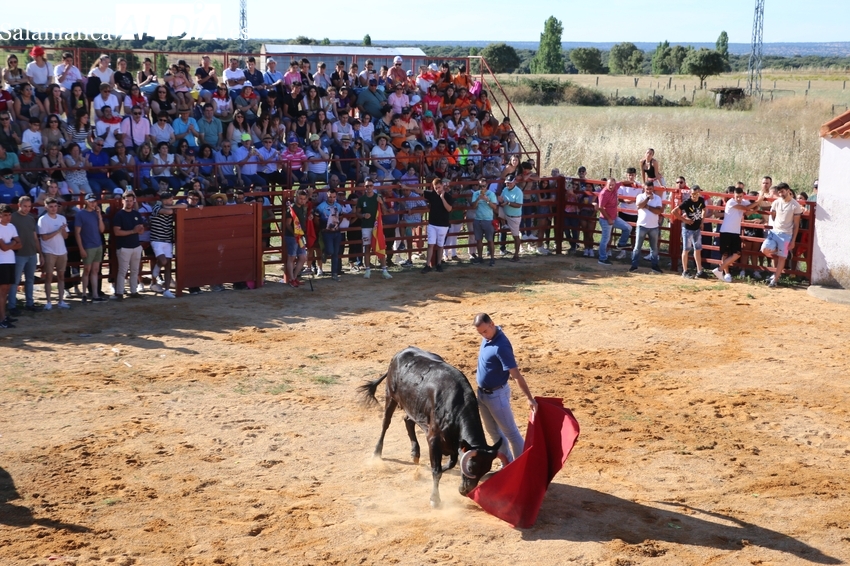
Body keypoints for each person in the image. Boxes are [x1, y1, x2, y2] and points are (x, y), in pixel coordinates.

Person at [473, 313, 537, 465]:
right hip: (482, 395)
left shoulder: (502, 346)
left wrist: (529, 398)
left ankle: (523, 468)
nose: (483, 335)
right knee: (494, 433)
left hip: (496, 396)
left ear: (492, 324)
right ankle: (507, 466)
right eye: (480, 333)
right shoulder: (489, 337)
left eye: (485, 331)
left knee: (511, 433)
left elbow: (516, 375)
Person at [713, 187, 763, 283]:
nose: (739, 199)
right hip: (726, 231)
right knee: (725, 253)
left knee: (737, 254)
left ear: (743, 195)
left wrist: (755, 206)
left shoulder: (743, 201)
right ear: (734, 196)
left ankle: (720, 269)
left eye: (740, 197)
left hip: (735, 232)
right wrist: (758, 201)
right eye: (737, 197)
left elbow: (749, 209)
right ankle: (726, 273)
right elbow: (747, 208)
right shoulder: (731, 202)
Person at [761, 182, 803, 288]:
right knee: (764, 249)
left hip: (786, 234)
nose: (781, 194)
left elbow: (796, 224)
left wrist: (793, 240)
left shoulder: (795, 205)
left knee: (781, 258)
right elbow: (773, 215)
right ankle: (784, 252)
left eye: (782, 191)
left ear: (788, 190)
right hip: (775, 232)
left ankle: (775, 280)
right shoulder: (776, 202)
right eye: (779, 192)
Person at [7, 196, 38, 315]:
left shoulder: (31, 219)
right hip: (18, 254)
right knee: (15, 281)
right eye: (25, 206)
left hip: (31, 253)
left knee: (29, 280)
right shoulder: (12, 218)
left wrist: (38, 252)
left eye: (29, 206)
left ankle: (29, 303)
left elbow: (35, 237)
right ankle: (12, 305)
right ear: (19, 205)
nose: (27, 209)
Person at [111, 190, 145, 300]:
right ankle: (120, 292)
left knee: (135, 270)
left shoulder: (136, 214)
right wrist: (133, 231)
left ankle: (133, 291)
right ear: (123, 201)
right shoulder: (119, 215)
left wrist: (138, 230)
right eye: (127, 201)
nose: (129, 203)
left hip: (135, 245)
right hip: (124, 247)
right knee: (123, 271)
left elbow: (141, 229)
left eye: (131, 201)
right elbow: (117, 232)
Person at [38, 197, 70, 310]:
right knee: (49, 277)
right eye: (51, 206)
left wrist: (63, 230)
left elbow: (66, 236)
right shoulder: (43, 220)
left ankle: (61, 300)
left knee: (61, 276)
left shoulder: (62, 218)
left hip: (62, 251)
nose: (53, 208)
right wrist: (58, 231)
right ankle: (48, 301)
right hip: (49, 252)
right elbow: (44, 237)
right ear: (46, 207)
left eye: (55, 206)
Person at [149, 191, 183, 298]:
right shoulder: (156, 207)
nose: (171, 201)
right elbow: (168, 212)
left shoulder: (170, 207)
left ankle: (167, 290)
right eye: (169, 200)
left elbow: (184, 205)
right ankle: (158, 267)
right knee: (163, 261)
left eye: (172, 199)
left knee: (168, 265)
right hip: (157, 239)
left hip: (167, 240)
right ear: (163, 200)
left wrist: (171, 205)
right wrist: (171, 207)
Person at [356, 180, 392, 280]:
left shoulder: (378, 197)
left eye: (370, 186)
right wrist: (363, 215)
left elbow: (384, 212)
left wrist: (381, 203)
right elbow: (357, 213)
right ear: (364, 187)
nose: (369, 188)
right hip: (366, 226)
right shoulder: (361, 199)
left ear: (373, 187)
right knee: (367, 247)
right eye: (367, 186)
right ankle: (368, 270)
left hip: (377, 226)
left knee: (381, 246)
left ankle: (384, 270)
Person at [74, 193, 106, 303]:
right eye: (91, 201)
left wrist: (100, 216)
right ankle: (84, 294)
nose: (93, 203)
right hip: (88, 246)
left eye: (94, 201)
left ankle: (95, 294)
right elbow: (77, 233)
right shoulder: (80, 214)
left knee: (95, 270)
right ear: (86, 202)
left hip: (97, 245)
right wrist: (81, 248)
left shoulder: (95, 214)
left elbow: (102, 230)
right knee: (87, 270)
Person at [672, 185, 707, 279]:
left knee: (698, 249)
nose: (695, 195)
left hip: (697, 228)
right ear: (690, 194)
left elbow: (704, 209)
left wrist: (702, 222)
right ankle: (685, 271)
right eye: (693, 194)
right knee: (686, 249)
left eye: (696, 193)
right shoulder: (687, 202)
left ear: (699, 193)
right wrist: (685, 220)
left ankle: (699, 271)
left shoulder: (701, 200)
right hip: (688, 229)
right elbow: (674, 211)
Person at [629, 183, 664, 274]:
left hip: (654, 226)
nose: (649, 191)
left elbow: (659, 211)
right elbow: (639, 206)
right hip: (642, 225)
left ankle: (654, 266)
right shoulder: (640, 196)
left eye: (650, 189)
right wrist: (648, 198)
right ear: (644, 188)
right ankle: (634, 265)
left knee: (654, 248)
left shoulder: (657, 198)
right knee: (637, 247)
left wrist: (647, 206)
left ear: (653, 188)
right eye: (647, 189)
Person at [421, 178, 454, 273]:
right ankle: (428, 265)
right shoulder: (432, 194)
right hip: (433, 223)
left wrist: (442, 197)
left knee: (440, 245)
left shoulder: (447, 196)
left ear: (442, 186)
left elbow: (449, 209)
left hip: (443, 224)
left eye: (438, 187)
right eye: (436, 188)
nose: (437, 189)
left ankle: (438, 264)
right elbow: (421, 191)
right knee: (430, 244)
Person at [0, 203, 21, 328]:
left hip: (10, 261)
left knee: (6, 291)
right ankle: (2, 319)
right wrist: (13, 244)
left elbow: (20, 244)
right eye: (5, 215)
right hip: (1, 262)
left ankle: (3, 316)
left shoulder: (11, 226)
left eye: (9, 215)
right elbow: (4, 247)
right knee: (2, 292)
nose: (8, 217)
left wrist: (10, 245)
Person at [316, 188, 344, 281]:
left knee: (335, 253)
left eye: (334, 197)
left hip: (336, 231)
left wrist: (337, 225)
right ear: (327, 196)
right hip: (327, 232)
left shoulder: (338, 206)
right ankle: (325, 253)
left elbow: (341, 216)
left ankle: (334, 273)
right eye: (330, 197)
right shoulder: (321, 206)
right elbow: (316, 219)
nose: (332, 199)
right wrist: (322, 227)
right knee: (331, 251)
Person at [472, 178, 498, 266]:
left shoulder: (491, 194)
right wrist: (478, 199)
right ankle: (480, 257)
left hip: (488, 219)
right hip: (478, 219)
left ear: (487, 186)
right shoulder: (476, 194)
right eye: (480, 186)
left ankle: (492, 258)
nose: (482, 188)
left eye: (483, 186)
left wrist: (487, 200)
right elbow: (473, 206)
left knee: (490, 240)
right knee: (478, 240)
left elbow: (494, 207)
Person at [497, 176, 523, 262]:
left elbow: (519, 205)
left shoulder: (518, 192)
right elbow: (501, 199)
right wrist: (500, 200)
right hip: (506, 213)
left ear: (514, 182)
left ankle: (516, 255)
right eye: (507, 183)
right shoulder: (505, 189)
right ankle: (502, 223)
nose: (508, 184)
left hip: (513, 216)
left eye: (509, 182)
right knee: (493, 207)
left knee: (515, 236)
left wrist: (507, 203)